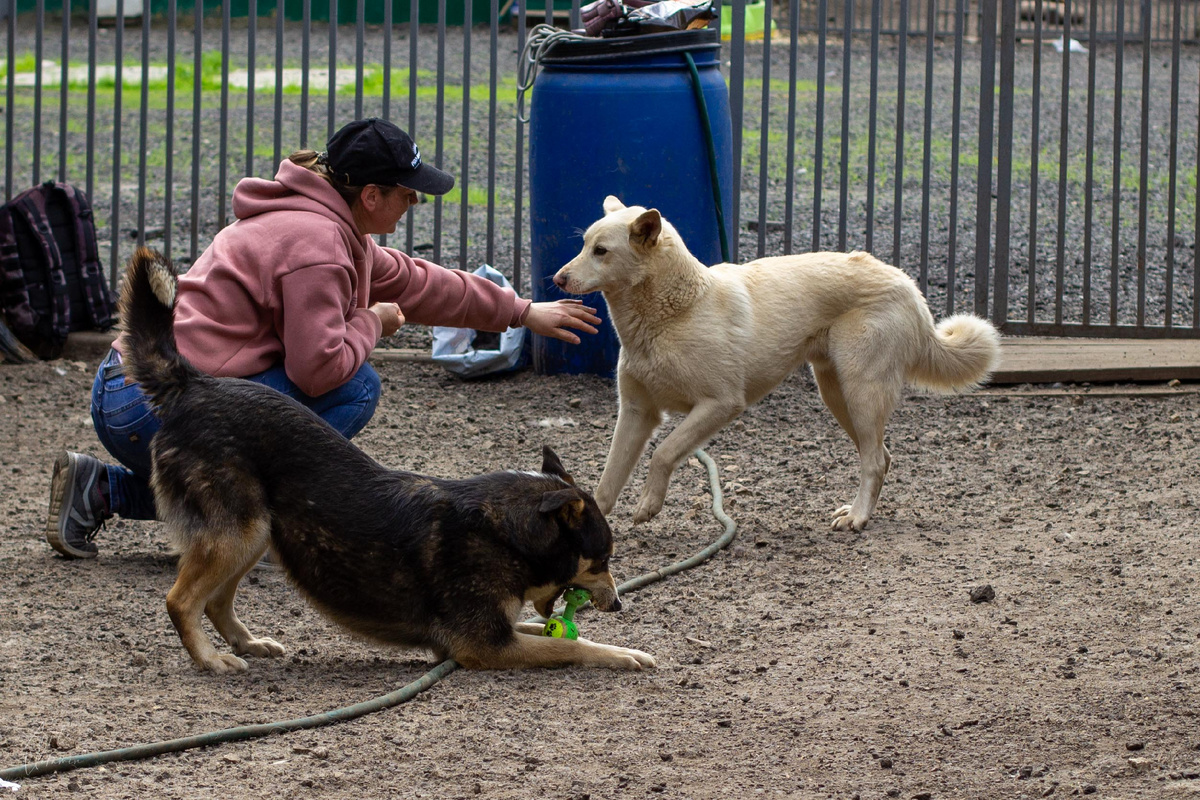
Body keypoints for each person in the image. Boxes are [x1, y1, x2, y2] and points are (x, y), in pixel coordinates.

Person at [45, 117, 601, 560]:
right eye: (409, 195)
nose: (415, 205)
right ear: (372, 196)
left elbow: (417, 280)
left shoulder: (325, 220)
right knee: (353, 387)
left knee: (315, 405)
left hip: (136, 385)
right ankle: (258, 519)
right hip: (150, 403)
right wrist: (373, 323)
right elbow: (319, 368)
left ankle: (101, 491)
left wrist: (522, 311)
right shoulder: (317, 244)